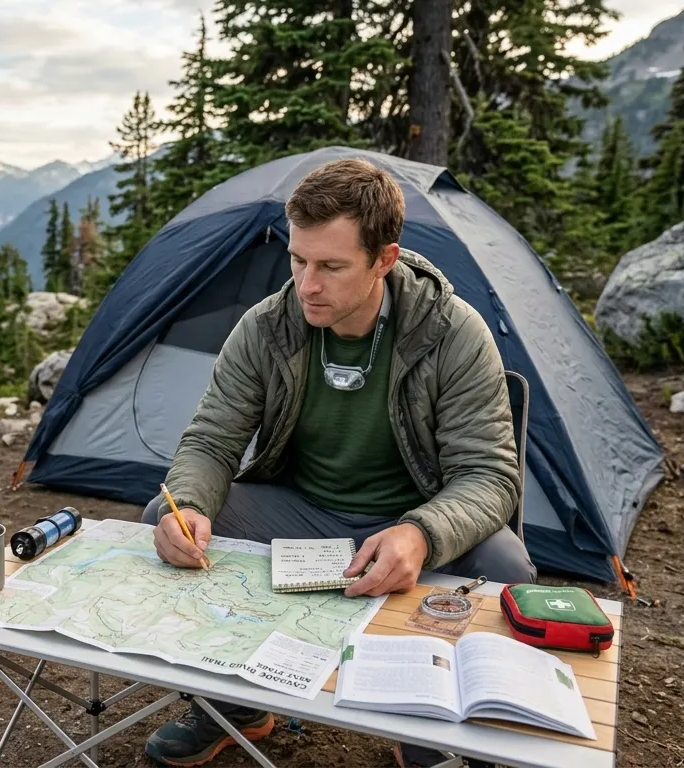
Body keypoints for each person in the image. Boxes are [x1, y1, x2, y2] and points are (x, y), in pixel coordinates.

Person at [138, 158, 536, 768]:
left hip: (410, 518)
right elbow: (212, 441)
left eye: (330, 266)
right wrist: (187, 505)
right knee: (165, 517)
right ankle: (233, 705)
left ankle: (435, 731)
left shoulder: (452, 332)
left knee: (505, 561)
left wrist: (422, 534)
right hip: (303, 512)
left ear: (385, 259)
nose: (306, 285)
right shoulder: (267, 327)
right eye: (297, 261)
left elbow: (489, 475)